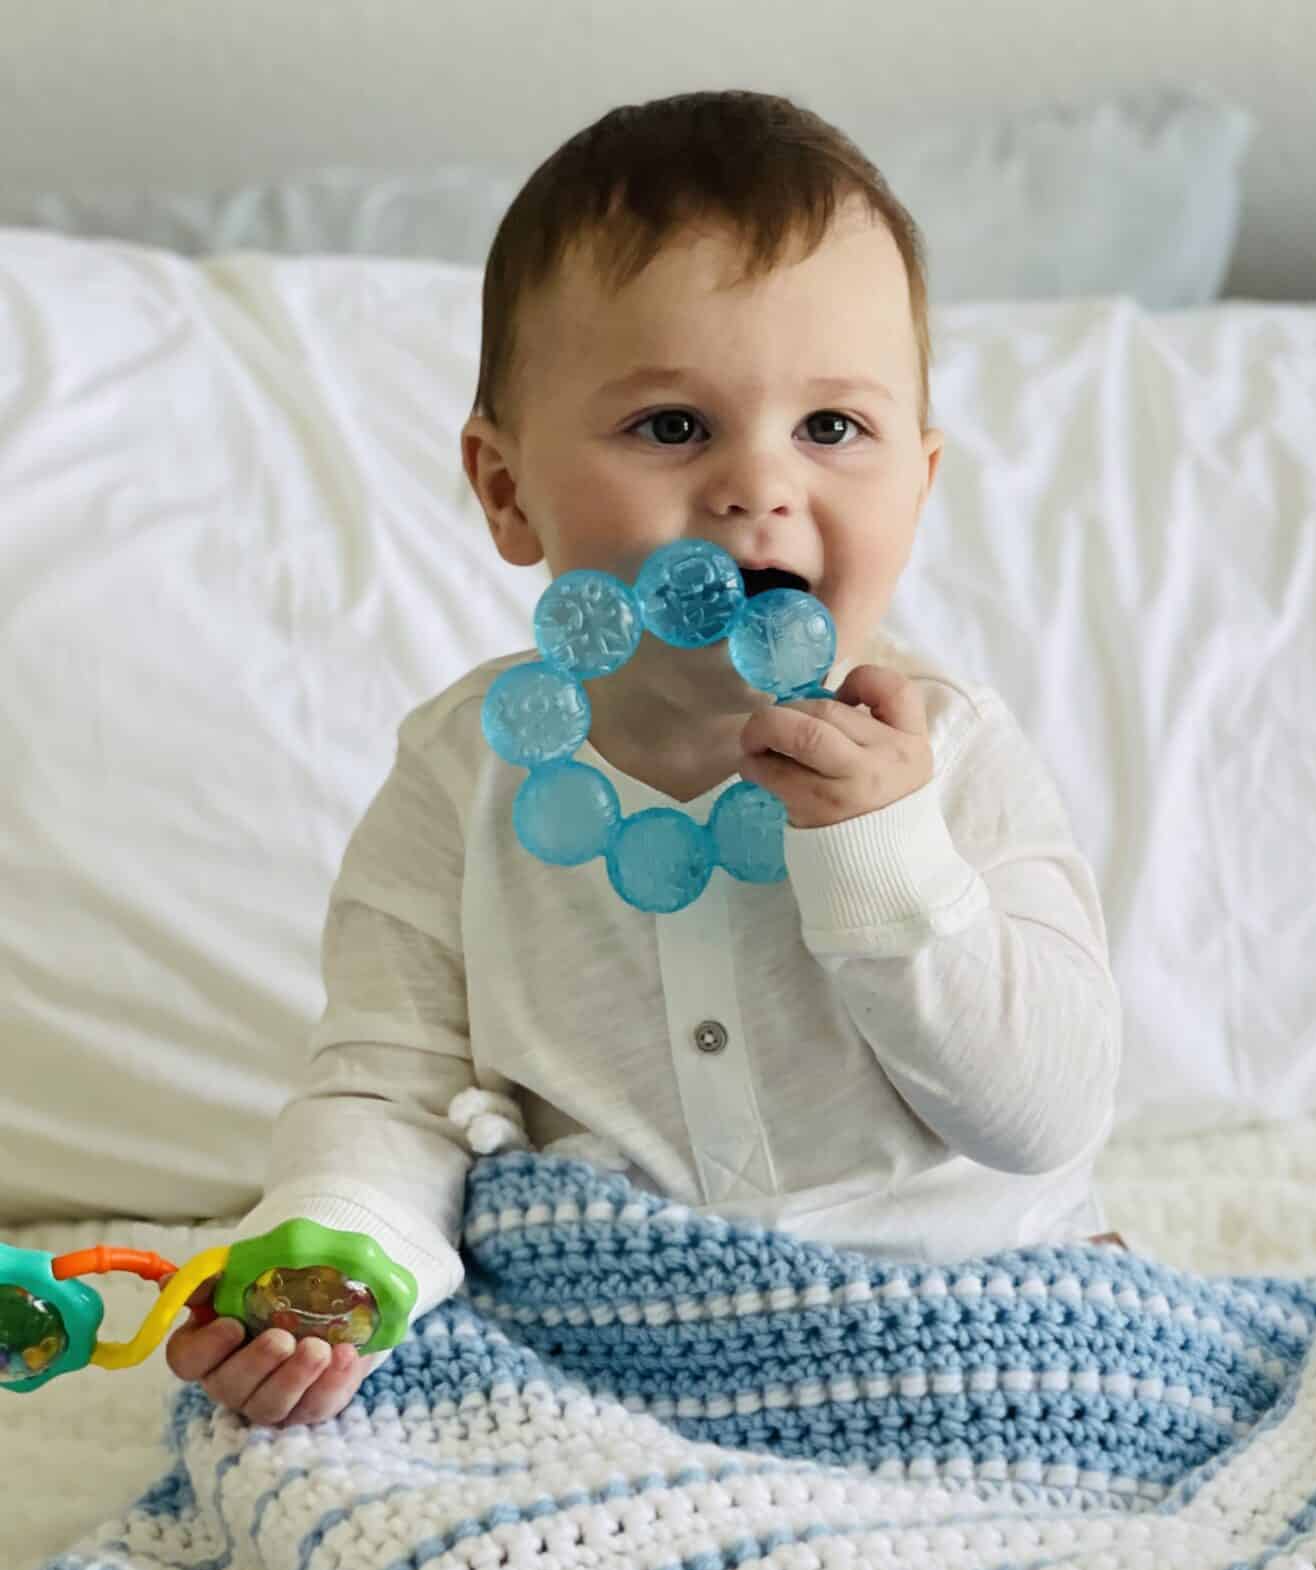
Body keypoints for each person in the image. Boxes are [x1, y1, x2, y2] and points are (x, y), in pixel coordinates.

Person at [167, 90, 1122, 1427]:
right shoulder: (465, 776)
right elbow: (393, 1091)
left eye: (832, 429)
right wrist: (341, 1257)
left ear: (919, 477)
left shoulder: (949, 759)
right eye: (673, 425)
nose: (757, 487)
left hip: (971, 1328)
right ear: (507, 492)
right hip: (616, 1354)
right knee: (311, 1471)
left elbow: (1046, 1117)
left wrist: (881, 850)